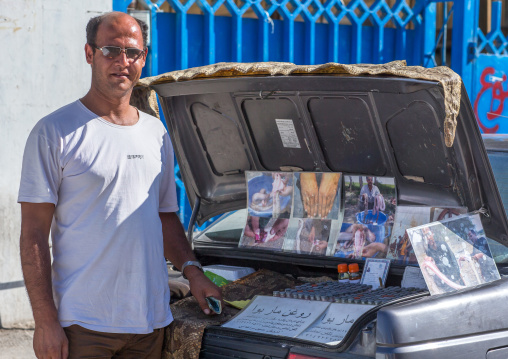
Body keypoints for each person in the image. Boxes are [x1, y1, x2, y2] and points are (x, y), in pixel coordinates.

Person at [18, 12, 221, 359]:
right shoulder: (54, 131)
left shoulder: (156, 132)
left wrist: (193, 271)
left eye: (133, 52)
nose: (122, 62)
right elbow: (34, 235)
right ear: (89, 53)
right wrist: (45, 321)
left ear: (144, 58)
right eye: (111, 50)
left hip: (150, 323)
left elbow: (164, 217)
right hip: (83, 326)